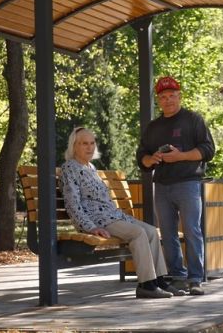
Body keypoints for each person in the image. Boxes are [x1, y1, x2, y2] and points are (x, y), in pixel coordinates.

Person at [60, 127, 185, 299]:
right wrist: (90, 227)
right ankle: (146, 285)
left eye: (92, 143)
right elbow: (72, 203)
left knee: (151, 232)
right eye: (84, 144)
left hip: (113, 215)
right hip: (99, 220)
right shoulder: (70, 168)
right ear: (74, 146)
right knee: (138, 233)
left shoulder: (91, 167)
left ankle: (159, 281)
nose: (89, 147)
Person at [136, 76, 215, 296]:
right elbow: (141, 155)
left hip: (189, 183)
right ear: (158, 101)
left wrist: (180, 156)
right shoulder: (153, 127)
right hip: (161, 186)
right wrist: (150, 160)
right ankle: (177, 276)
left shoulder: (193, 119)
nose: (168, 100)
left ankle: (196, 278)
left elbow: (208, 150)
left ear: (179, 96)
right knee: (168, 234)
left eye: (172, 96)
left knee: (192, 230)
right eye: (163, 97)